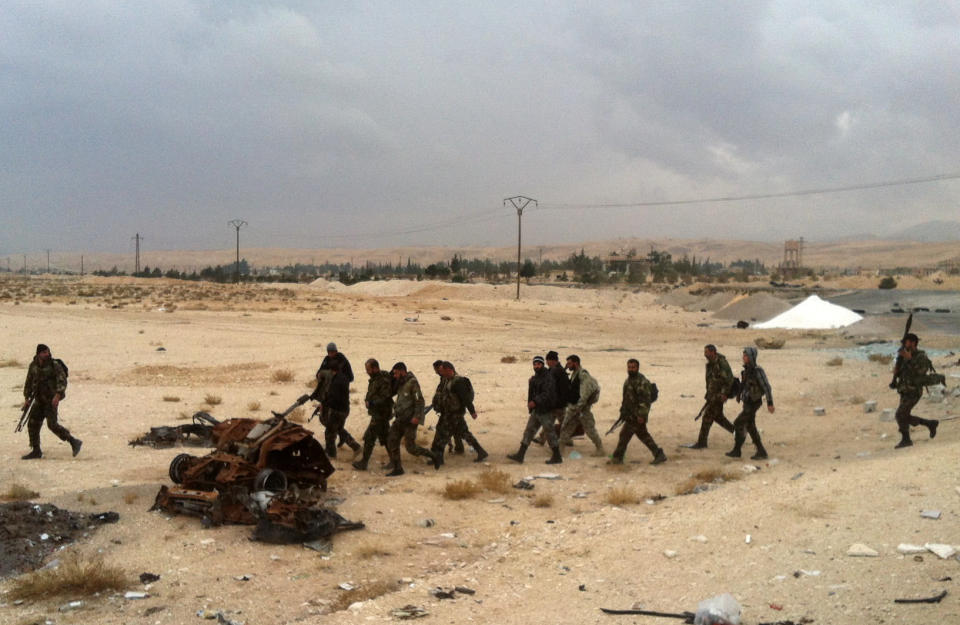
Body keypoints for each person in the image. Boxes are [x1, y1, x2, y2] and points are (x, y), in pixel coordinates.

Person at [21, 344, 82, 459]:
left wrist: (58, 396)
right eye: (44, 352)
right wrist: (27, 398)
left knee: (52, 425)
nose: (47, 354)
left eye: (47, 352)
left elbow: (62, 381)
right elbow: (28, 382)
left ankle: (73, 441)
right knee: (32, 424)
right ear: (38, 354)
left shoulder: (55, 365)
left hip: (50, 400)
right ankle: (36, 450)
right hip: (38, 400)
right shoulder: (33, 366)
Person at [385, 362, 439, 476]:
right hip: (400, 419)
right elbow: (390, 391)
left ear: (401, 371)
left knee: (411, 448)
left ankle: (432, 455)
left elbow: (420, 401)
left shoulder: (412, 382)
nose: (394, 375)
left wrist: (416, 417)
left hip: (410, 420)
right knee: (391, 440)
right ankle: (397, 468)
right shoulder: (400, 382)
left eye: (395, 373)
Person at [610, 358, 666, 465]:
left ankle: (617, 459)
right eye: (629, 367)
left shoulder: (642, 382)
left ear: (637, 368)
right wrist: (623, 411)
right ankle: (658, 454)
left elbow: (645, 401)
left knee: (625, 435)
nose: (631, 369)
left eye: (633, 367)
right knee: (642, 435)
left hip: (637, 416)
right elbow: (626, 397)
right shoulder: (629, 380)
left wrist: (641, 415)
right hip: (630, 415)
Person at [507, 356, 562, 464]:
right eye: (534, 364)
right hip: (537, 410)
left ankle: (557, 456)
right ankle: (520, 455)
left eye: (538, 364)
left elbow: (547, 394)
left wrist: (535, 401)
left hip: (546, 410)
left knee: (549, 433)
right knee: (529, 431)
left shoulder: (548, 378)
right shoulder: (536, 377)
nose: (536, 366)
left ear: (542, 365)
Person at [891, 333, 941, 449]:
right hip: (904, 390)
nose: (904, 344)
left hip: (914, 391)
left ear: (913, 343)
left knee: (900, 414)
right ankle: (930, 424)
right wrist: (896, 372)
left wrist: (910, 360)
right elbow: (902, 373)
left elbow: (920, 372)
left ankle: (906, 439)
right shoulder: (904, 356)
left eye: (906, 342)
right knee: (903, 416)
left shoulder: (921, 356)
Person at [432, 361, 487, 464]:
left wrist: (472, 411)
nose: (441, 373)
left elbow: (465, 398)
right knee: (464, 433)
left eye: (442, 371)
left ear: (449, 370)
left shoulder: (458, 382)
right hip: (449, 413)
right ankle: (481, 451)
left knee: (443, 434)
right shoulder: (447, 380)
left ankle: (438, 458)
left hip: (454, 414)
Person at [726, 347, 774, 460]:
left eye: (746, 356)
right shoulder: (746, 371)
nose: (743, 358)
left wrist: (770, 403)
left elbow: (767, 387)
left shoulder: (758, 371)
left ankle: (737, 450)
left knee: (738, 423)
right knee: (750, 426)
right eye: (743, 355)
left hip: (753, 403)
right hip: (747, 402)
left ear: (751, 357)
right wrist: (738, 395)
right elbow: (743, 385)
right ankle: (761, 451)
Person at [689, 345, 736, 449]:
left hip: (719, 396)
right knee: (718, 417)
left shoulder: (721, 363)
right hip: (712, 395)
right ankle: (737, 432)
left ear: (713, 352)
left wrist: (724, 394)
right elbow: (711, 381)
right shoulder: (711, 364)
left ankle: (702, 443)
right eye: (704, 352)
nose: (705, 354)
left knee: (707, 417)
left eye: (707, 352)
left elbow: (729, 380)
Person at [558, 355, 605, 457]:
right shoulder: (575, 374)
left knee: (590, 429)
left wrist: (579, 408)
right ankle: (560, 450)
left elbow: (585, 394)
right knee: (566, 427)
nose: (568, 365)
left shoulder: (583, 375)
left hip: (581, 409)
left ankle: (600, 448)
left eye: (570, 363)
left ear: (576, 363)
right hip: (574, 407)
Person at [353, 359, 394, 470]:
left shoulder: (383, 380)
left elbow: (385, 397)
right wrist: (368, 400)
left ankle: (364, 462)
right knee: (385, 438)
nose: (367, 371)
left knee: (369, 438)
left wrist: (371, 402)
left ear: (375, 368)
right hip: (379, 413)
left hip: (381, 413)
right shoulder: (374, 379)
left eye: (368, 369)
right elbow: (371, 393)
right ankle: (395, 461)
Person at [318, 359, 361, 460]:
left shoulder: (336, 381)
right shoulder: (343, 377)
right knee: (339, 429)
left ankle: (331, 455)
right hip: (345, 409)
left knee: (329, 432)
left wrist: (323, 405)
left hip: (337, 411)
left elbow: (334, 398)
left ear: (332, 370)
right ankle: (356, 447)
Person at [532, 351, 570, 445]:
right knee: (550, 422)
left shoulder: (556, 371)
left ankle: (568, 439)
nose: (547, 363)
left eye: (547, 361)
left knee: (563, 423)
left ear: (552, 361)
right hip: (556, 402)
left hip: (558, 403)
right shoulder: (556, 370)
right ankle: (542, 438)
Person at [429, 360, 464, 456]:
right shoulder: (444, 378)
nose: (436, 372)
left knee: (443, 431)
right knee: (457, 430)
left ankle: (438, 453)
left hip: (452, 410)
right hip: (449, 409)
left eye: (437, 370)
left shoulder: (453, 379)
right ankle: (458, 448)